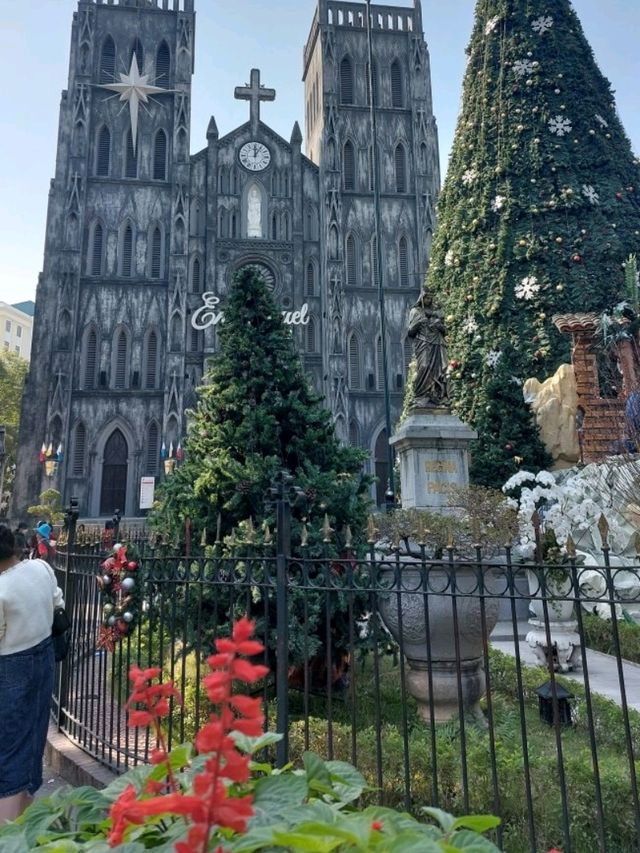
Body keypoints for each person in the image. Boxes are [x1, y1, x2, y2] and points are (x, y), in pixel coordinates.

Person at [0, 524, 64, 822]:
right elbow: (57, 602)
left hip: (10, 666)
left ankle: (8, 834)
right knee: (33, 737)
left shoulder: (2, 589)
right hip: (43, 655)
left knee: (8, 749)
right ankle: (25, 820)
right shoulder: (40, 568)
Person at [407, 288, 449, 407]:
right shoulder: (415, 311)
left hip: (437, 343)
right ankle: (420, 396)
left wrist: (439, 325)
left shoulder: (437, 312)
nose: (428, 300)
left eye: (430, 298)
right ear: (422, 298)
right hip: (423, 343)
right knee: (424, 366)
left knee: (440, 370)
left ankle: (436, 395)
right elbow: (410, 332)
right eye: (426, 298)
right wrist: (419, 322)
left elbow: (445, 330)